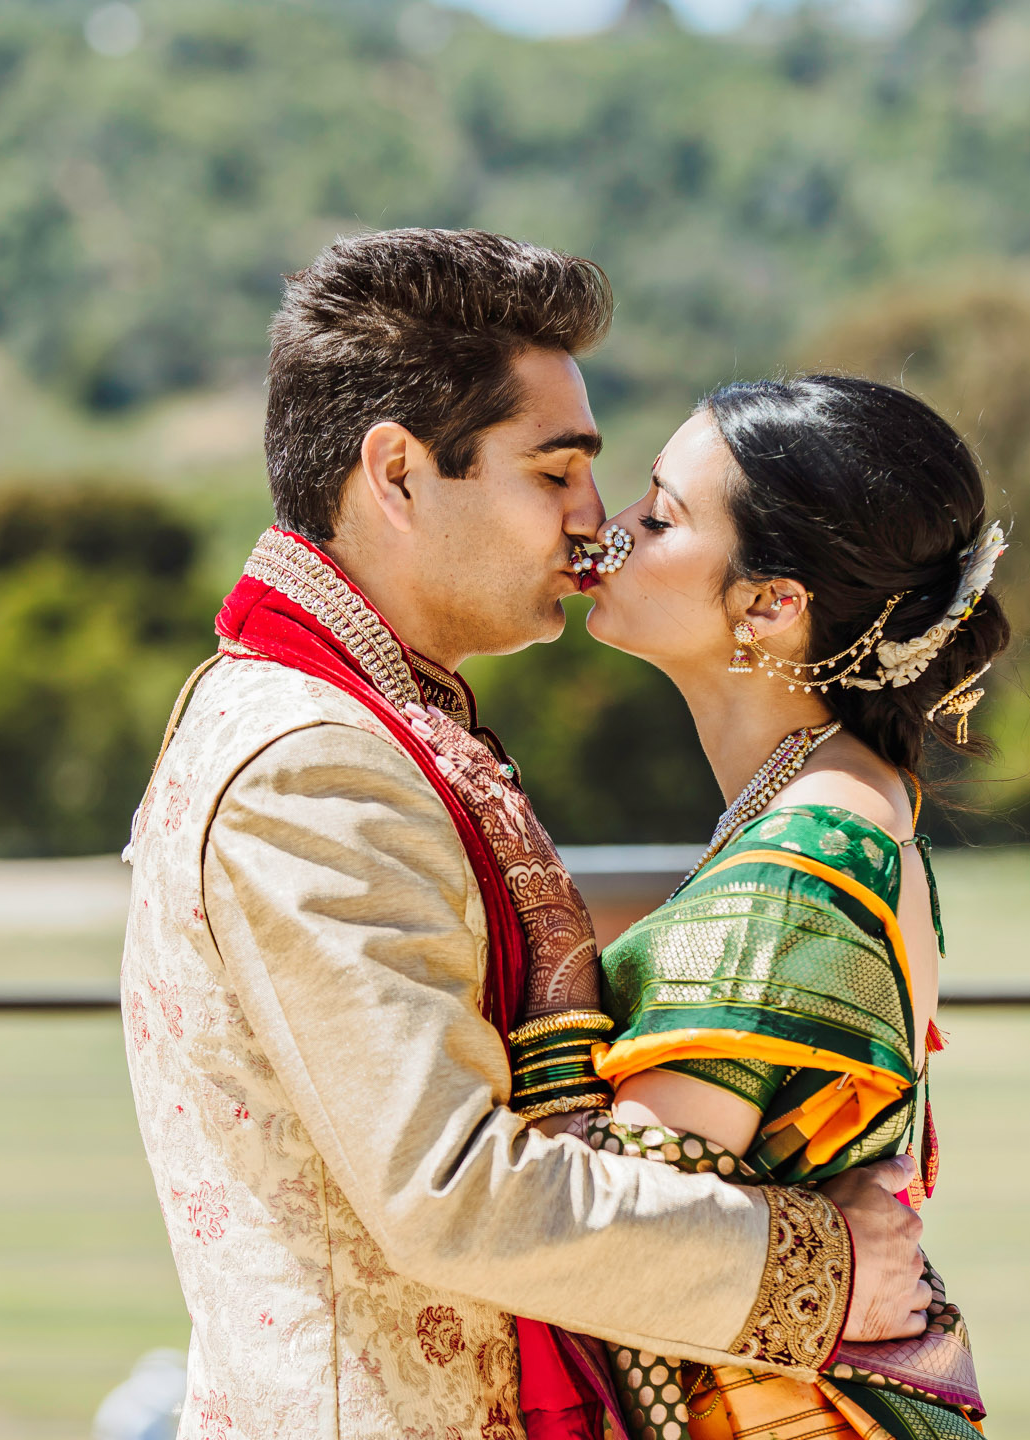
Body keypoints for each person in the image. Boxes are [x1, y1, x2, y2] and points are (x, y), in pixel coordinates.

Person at [120, 231, 933, 1440]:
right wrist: (819, 1270)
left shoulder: (374, 721)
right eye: (553, 473)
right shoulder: (314, 762)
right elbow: (450, 1193)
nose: (591, 521)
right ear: (395, 475)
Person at [411, 374, 1008, 1440]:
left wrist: (542, 961)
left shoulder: (803, 858)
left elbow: (625, 1242)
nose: (606, 527)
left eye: (662, 512)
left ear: (773, 605)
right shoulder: (847, 802)